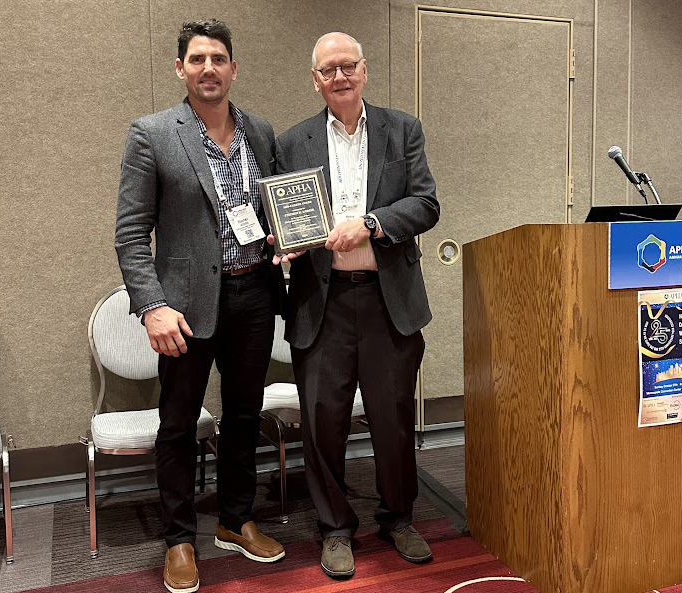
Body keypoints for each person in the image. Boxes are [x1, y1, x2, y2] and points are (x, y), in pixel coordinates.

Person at [115, 19, 286, 593]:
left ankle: (236, 521)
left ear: (233, 68)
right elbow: (131, 234)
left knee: (243, 417)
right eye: (197, 59)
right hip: (184, 309)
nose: (208, 68)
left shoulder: (261, 133)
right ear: (180, 69)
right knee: (178, 424)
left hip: (255, 295)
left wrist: (287, 242)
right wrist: (151, 306)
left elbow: (274, 210)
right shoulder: (153, 133)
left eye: (218, 58)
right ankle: (179, 538)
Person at [271, 31, 440, 579]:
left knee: (392, 418)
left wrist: (372, 224)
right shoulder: (292, 141)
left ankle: (398, 517)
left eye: (348, 66)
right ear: (315, 79)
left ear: (364, 71)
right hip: (323, 301)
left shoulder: (402, 129)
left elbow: (425, 204)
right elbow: (279, 209)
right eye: (328, 70)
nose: (339, 77)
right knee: (324, 422)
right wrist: (281, 239)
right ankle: (335, 528)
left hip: (388, 300)